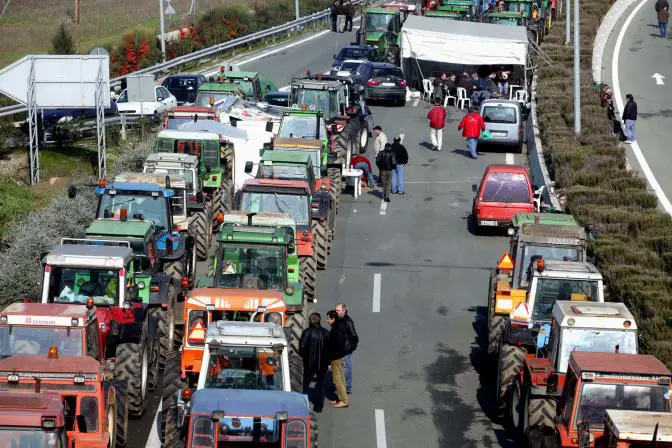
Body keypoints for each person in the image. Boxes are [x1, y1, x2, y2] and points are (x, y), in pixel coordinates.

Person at [299, 313, 330, 412]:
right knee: (321, 384)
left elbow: (302, 348)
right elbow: (330, 349)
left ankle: (304, 404)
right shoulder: (326, 332)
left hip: (309, 364)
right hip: (323, 364)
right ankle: (319, 405)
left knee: (306, 384)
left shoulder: (307, 332)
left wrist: (305, 357)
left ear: (310, 321)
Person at [326, 310, 349, 408]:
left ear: (333, 318)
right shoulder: (339, 327)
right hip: (339, 356)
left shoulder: (335, 330)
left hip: (336, 357)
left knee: (337, 380)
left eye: (328, 319)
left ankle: (343, 400)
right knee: (341, 378)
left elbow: (334, 345)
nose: (327, 321)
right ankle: (341, 398)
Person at [335, 304, 358, 394]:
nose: (336, 312)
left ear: (344, 311)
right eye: (336, 310)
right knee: (341, 367)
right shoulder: (340, 319)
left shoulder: (348, 322)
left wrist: (350, 347)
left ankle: (348, 387)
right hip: (340, 348)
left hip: (346, 349)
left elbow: (354, 336)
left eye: (338, 310)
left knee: (346, 368)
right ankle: (340, 384)